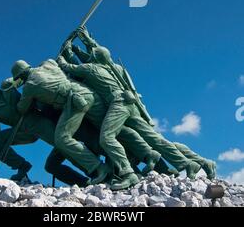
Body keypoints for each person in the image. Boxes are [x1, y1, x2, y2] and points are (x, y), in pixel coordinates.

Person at [57, 26, 202, 189]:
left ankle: (127, 173)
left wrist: (64, 52)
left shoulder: (90, 68)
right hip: (131, 104)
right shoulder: (113, 67)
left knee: (106, 138)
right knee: (154, 138)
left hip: (118, 103)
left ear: (93, 58)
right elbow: (96, 53)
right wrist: (82, 42)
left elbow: (69, 67)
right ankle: (187, 164)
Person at [0, 77, 97, 185]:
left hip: (38, 122)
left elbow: (26, 78)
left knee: (63, 146)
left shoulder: (8, 88)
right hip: (21, 131)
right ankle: (22, 166)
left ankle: (95, 173)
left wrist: (16, 83)